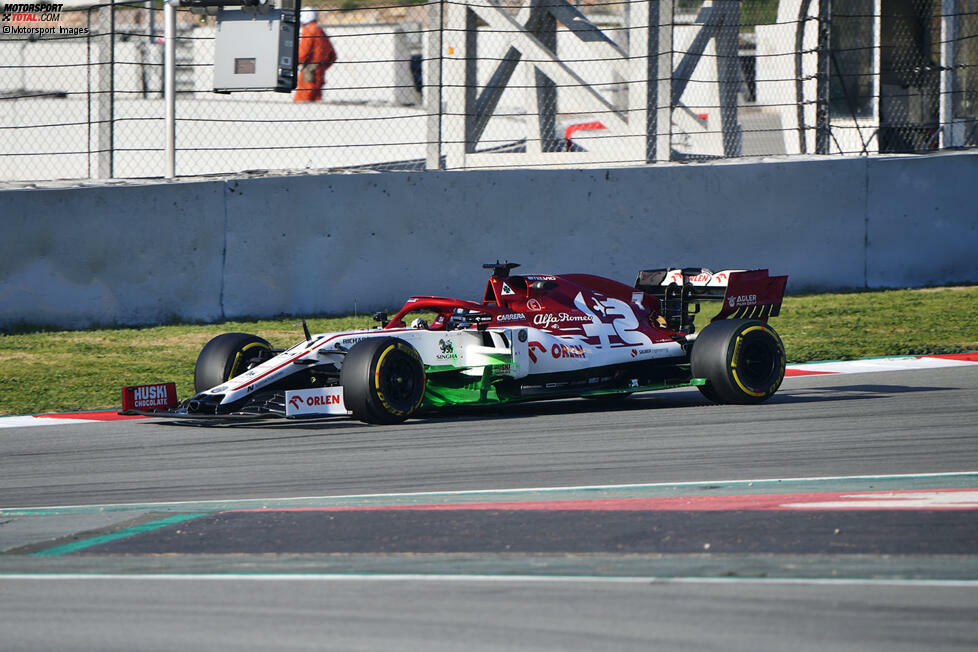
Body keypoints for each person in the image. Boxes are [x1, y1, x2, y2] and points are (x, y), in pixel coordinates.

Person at [293, 8, 337, 103]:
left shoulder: (308, 30)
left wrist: (293, 64)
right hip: (320, 70)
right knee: (316, 101)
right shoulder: (320, 30)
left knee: (302, 99)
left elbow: (303, 52)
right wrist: (322, 67)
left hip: (309, 70)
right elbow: (333, 55)